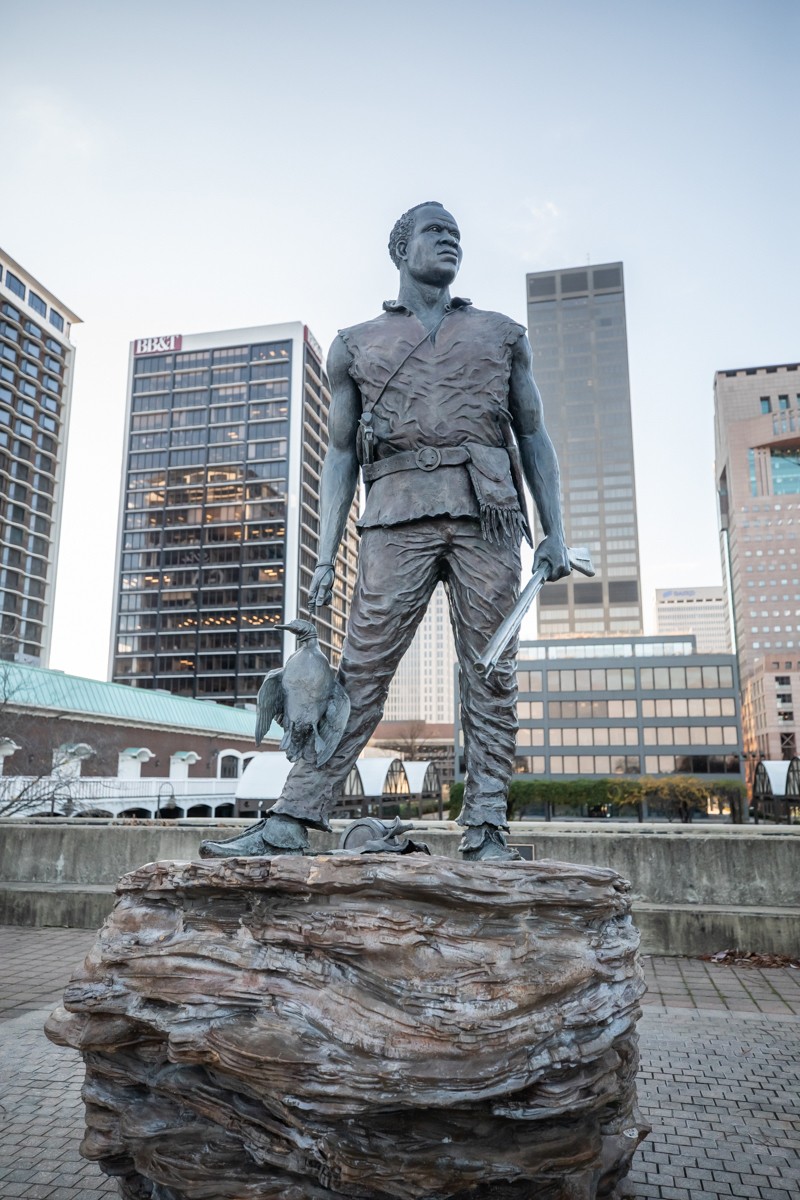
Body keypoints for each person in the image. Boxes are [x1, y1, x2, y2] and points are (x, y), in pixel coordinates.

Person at [201, 201, 570, 862]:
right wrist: (322, 557)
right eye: (436, 232)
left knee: (491, 674)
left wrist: (555, 532)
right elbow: (340, 453)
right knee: (360, 673)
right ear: (402, 249)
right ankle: (292, 818)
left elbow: (534, 434)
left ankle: (487, 829)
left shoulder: (502, 333)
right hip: (393, 514)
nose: (451, 241)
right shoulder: (356, 343)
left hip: (488, 513)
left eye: (457, 234)